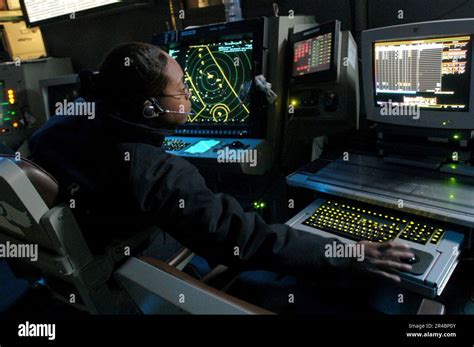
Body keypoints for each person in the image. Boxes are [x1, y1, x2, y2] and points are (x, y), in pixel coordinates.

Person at [29, 42, 414, 313]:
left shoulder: (65, 120)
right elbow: (240, 238)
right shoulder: (153, 171)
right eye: (181, 90)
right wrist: (349, 252)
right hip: (129, 264)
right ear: (148, 107)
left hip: (81, 244)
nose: (190, 97)